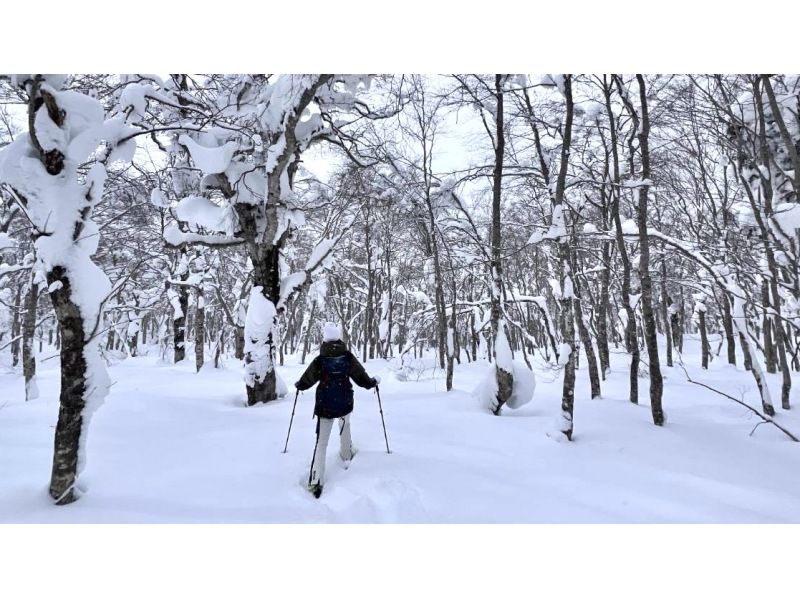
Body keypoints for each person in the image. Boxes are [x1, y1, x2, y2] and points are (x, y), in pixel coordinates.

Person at [295, 322, 379, 498]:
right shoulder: (347, 357)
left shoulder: (320, 360)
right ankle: (346, 454)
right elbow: (361, 377)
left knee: (321, 442)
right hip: (344, 401)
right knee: (345, 425)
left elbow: (307, 379)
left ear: (325, 339)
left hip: (325, 405)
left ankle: (316, 481)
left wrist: (300, 386)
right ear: (339, 337)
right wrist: (372, 382)